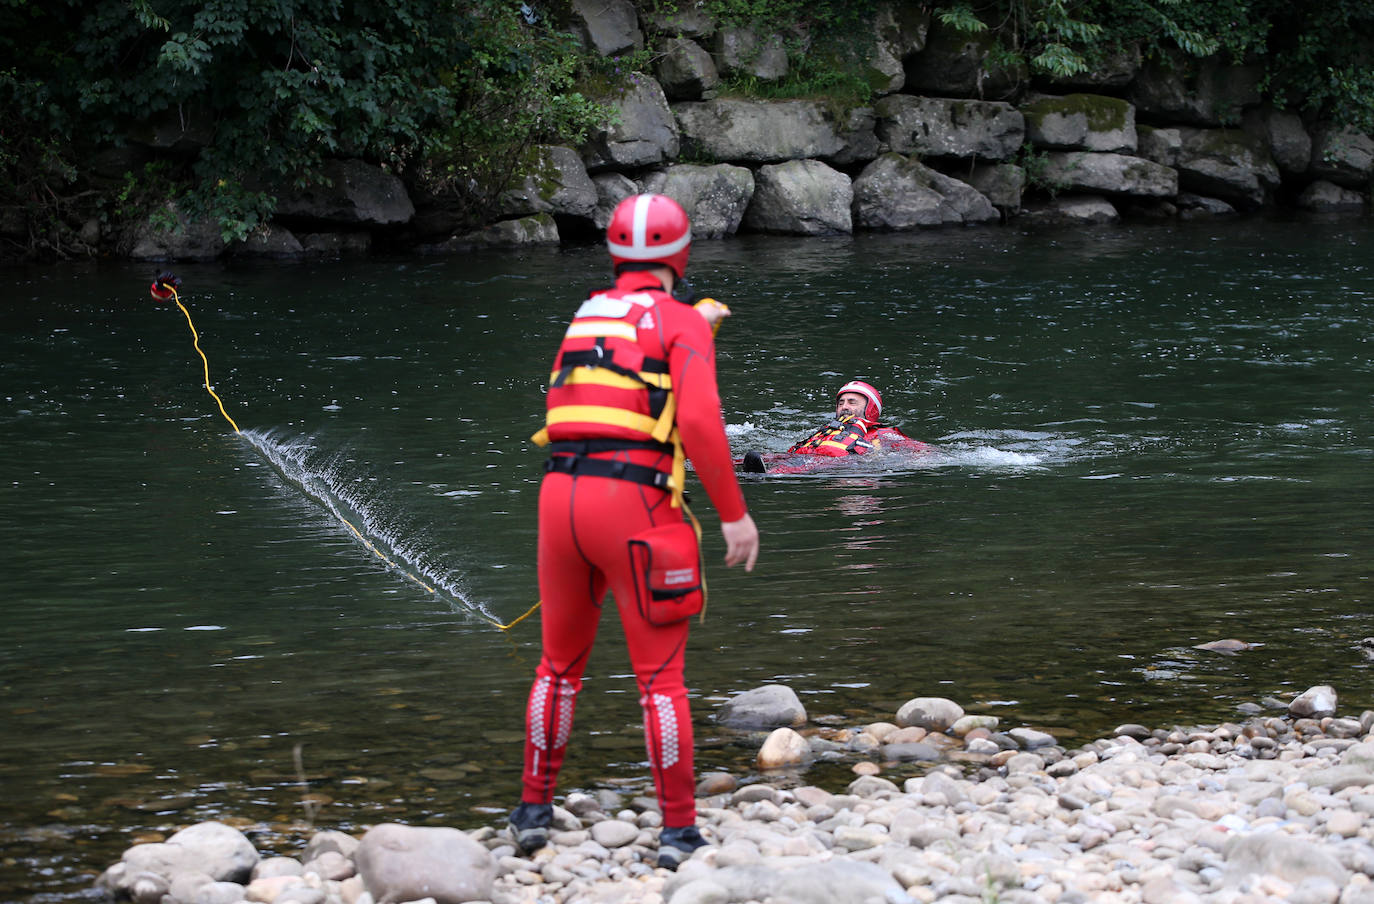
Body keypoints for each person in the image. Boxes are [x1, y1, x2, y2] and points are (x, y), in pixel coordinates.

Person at [511, 193, 760, 870]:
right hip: (634, 511)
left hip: (559, 498)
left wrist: (691, 328)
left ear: (617, 253)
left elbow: (600, 386)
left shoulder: (586, 313)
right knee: (660, 680)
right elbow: (703, 424)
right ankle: (679, 832)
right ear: (681, 254)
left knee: (558, 668)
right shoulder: (681, 322)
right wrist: (735, 515)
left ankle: (533, 811)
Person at [741, 380, 929, 472]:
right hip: (809, 455)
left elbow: (923, 451)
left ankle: (772, 474)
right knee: (782, 456)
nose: (844, 406)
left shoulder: (884, 433)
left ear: (869, 408)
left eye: (852, 402)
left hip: (842, 463)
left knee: (809, 463)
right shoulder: (826, 431)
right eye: (841, 403)